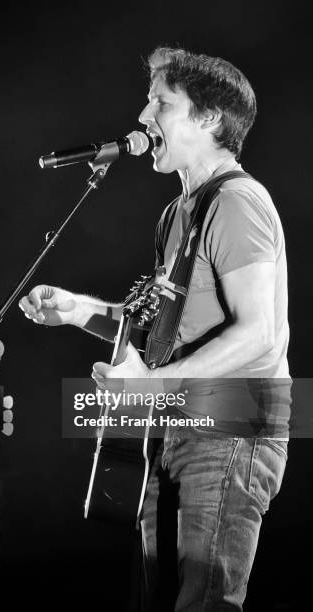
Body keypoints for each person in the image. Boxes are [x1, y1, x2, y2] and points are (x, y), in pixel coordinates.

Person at [19, 46, 290, 611]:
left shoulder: (238, 201)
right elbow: (159, 333)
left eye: (161, 104)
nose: (143, 118)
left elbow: (261, 334)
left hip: (230, 427)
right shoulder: (177, 214)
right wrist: (75, 308)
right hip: (173, 427)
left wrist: (156, 387)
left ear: (210, 119)